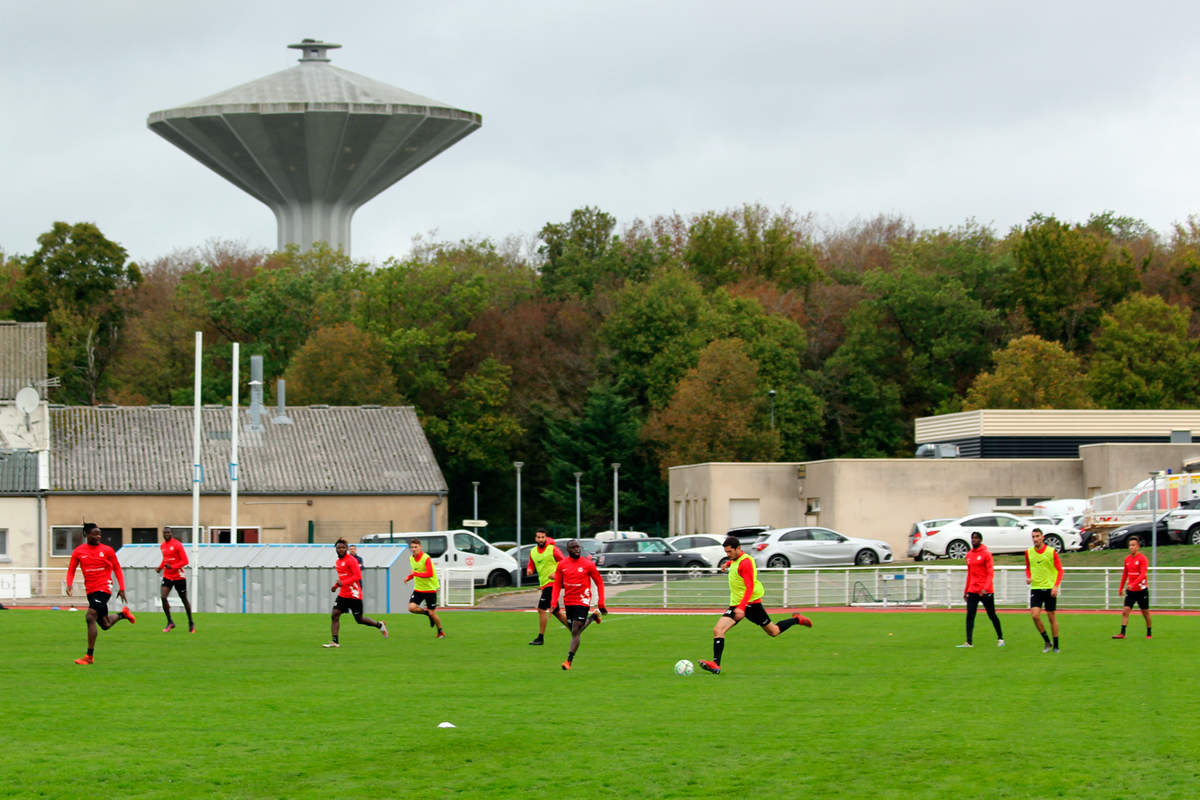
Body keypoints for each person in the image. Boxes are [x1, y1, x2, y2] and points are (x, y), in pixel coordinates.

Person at [699, 536, 811, 675]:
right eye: (726, 552)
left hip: (751, 604)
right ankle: (716, 665)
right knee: (718, 630)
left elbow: (750, 586)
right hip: (737, 604)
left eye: (729, 552)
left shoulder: (745, 563)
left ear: (738, 548)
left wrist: (742, 607)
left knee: (774, 632)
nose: (728, 555)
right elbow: (734, 562)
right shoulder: (735, 559)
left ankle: (797, 619)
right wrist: (727, 564)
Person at [65, 522, 136, 665]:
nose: (98, 536)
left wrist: (121, 588)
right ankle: (123, 614)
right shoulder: (79, 551)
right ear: (87, 535)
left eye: (100, 534)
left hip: (104, 588)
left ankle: (89, 656)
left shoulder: (107, 550)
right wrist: (69, 583)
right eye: (95, 533)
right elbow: (72, 568)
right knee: (105, 624)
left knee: (90, 615)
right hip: (91, 590)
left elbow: (117, 568)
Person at [549, 539, 607, 670]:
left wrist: (601, 602)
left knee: (575, 631)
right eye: (573, 547)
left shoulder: (588, 564)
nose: (577, 549)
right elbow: (557, 584)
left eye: (578, 547)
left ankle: (568, 661)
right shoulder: (562, 565)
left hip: (583, 600)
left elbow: (599, 582)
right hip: (569, 601)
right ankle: (593, 617)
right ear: (568, 550)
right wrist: (553, 602)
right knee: (575, 630)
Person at [322, 538, 388, 648]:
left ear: (346, 549)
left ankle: (379, 625)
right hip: (343, 594)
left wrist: (342, 582)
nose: (341, 549)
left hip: (354, 595)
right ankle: (335, 642)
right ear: (336, 549)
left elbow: (358, 576)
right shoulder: (338, 562)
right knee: (335, 615)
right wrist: (335, 587)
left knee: (359, 619)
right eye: (339, 548)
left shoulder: (351, 560)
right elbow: (342, 578)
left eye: (343, 547)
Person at [957, 531, 1004, 648]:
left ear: (980, 540)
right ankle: (969, 642)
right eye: (972, 538)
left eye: (976, 538)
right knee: (970, 615)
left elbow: (990, 573)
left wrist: (986, 588)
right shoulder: (968, 555)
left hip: (985, 591)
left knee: (992, 615)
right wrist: (966, 590)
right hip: (973, 589)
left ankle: (1000, 638)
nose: (974, 540)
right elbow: (970, 574)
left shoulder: (986, 554)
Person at [526, 529, 569, 645]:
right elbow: (531, 564)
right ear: (535, 539)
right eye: (538, 537)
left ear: (546, 538)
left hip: (553, 583)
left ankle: (540, 638)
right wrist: (529, 570)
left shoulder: (553, 549)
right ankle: (575, 630)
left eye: (543, 537)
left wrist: (557, 574)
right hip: (544, 584)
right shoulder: (533, 552)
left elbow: (564, 562)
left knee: (541, 609)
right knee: (557, 612)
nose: (540, 539)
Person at [1024, 528, 1064, 653]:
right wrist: (1029, 577)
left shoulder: (1051, 552)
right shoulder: (1028, 552)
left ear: (1043, 537)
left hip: (1049, 588)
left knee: (1051, 617)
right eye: (1033, 537)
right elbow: (1028, 568)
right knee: (1035, 616)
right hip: (1036, 588)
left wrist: (1056, 586)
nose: (1035, 539)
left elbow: (1060, 570)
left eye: (1037, 536)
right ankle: (1047, 641)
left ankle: (1056, 644)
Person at [156, 526, 194, 633]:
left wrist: (173, 567)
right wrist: (160, 568)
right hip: (168, 575)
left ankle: (191, 622)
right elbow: (165, 559)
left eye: (168, 532)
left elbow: (185, 561)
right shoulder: (163, 546)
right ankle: (170, 622)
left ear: (171, 533)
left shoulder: (177, 545)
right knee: (163, 597)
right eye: (164, 533)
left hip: (179, 576)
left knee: (184, 599)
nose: (166, 534)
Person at [404, 538, 444, 638]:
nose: (413, 549)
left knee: (433, 613)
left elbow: (429, 573)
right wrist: (409, 578)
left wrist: (415, 574)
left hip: (430, 589)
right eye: (412, 547)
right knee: (411, 608)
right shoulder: (411, 558)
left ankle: (440, 631)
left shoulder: (426, 558)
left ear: (420, 547)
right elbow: (415, 571)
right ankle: (427, 614)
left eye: (415, 547)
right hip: (418, 588)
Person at [1113, 536, 1152, 639]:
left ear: (1138, 546)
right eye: (1130, 545)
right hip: (1131, 591)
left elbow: (1143, 574)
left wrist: (1133, 584)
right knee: (1125, 611)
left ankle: (1149, 632)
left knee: (1145, 613)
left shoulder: (1142, 558)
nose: (1131, 547)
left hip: (1141, 590)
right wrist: (1121, 588)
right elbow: (1125, 574)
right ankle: (1122, 633)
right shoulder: (1127, 559)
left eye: (1133, 545)